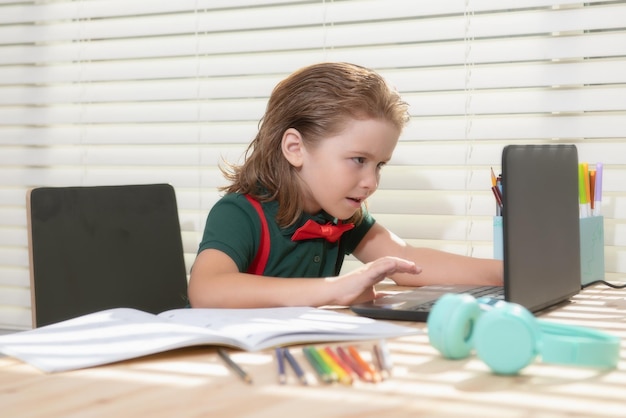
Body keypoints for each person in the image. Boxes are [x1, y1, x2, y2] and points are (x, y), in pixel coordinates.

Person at [188, 62, 502, 309]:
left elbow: (407, 260)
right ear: (295, 149)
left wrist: (512, 272)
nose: (371, 182)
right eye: (357, 160)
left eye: (379, 165)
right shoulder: (241, 213)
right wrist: (334, 290)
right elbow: (206, 289)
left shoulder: (342, 215)